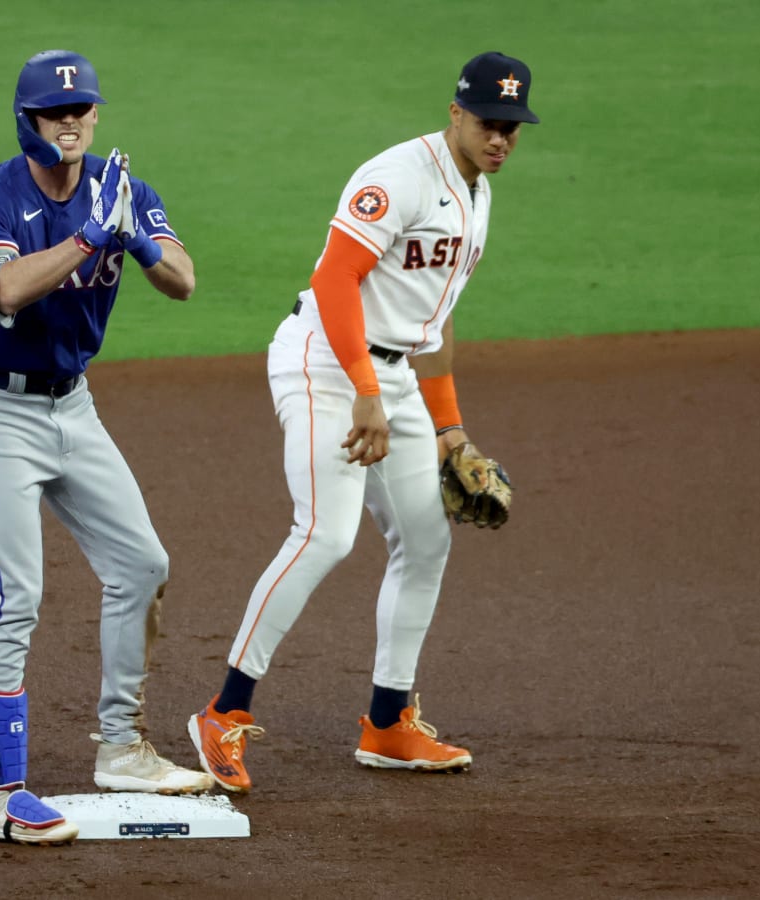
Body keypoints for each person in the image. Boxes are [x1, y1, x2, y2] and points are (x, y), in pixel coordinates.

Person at [188, 51, 540, 792]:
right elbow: (334, 277)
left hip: (396, 375)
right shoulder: (399, 177)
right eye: (488, 123)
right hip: (325, 360)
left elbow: (434, 323)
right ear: (455, 113)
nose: (500, 139)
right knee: (326, 532)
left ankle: (388, 723)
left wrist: (449, 429)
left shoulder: (478, 195)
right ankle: (222, 712)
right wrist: (364, 393)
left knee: (426, 538)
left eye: (512, 128)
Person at [0, 49, 213, 845]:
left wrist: (139, 241)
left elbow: (186, 282)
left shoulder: (121, 190)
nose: (71, 124)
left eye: (82, 111)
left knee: (143, 564)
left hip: (75, 407)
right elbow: (2, 293)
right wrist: (89, 239)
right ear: (26, 124)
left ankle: (123, 748)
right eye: (54, 115)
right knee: (14, 596)